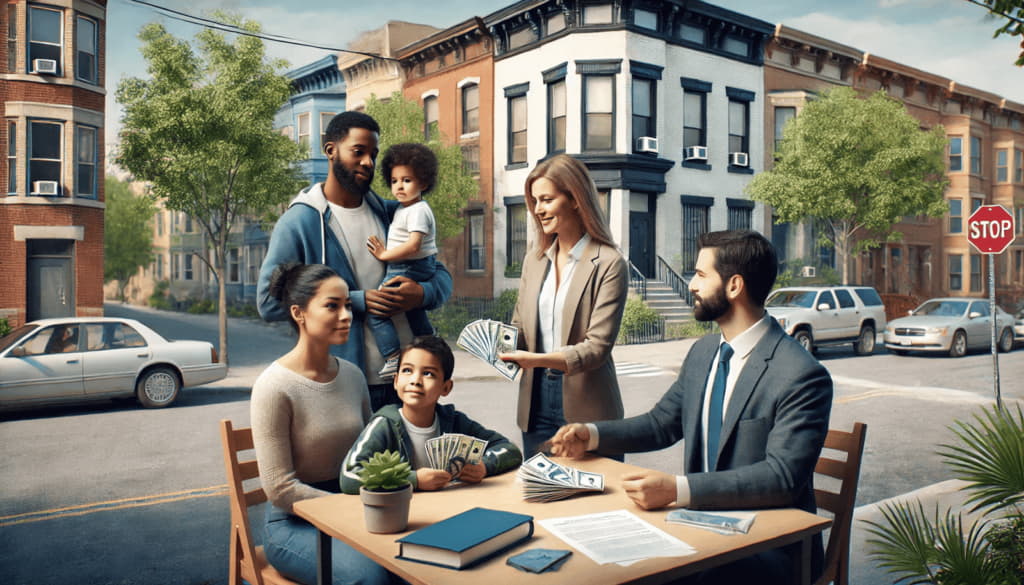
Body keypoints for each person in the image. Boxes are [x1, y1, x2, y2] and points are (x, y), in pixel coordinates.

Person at [550, 229, 834, 585]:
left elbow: (782, 479)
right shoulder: (704, 352)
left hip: (768, 547)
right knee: (596, 563)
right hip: (697, 528)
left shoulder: (801, 374)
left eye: (701, 275)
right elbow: (661, 424)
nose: (692, 285)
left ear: (734, 286)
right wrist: (590, 434)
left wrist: (677, 490)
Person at [257, 111, 453, 412]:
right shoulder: (299, 222)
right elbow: (269, 303)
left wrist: (422, 294)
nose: (368, 163)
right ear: (331, 150)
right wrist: (358, 301)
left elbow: (439, 273)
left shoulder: (392, 213)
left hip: (409, 385)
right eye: (358, 152)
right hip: (348, 385)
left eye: (373, 154)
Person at [251, 262, 392, 585]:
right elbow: (280, 489)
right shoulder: (273, 386)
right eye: (332, 306)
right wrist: (351, 506)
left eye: (347, 305)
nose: (346, 315)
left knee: (418, 563)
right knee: (369, 578)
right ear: (299, 313)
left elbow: (371, 453)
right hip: (295, 523)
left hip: (355, 509)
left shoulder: (353, 375)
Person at [497, 154, 628, 458]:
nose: (538, 209)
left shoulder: (608, 263)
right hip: (535, 401)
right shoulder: (535, 259)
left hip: (589, 404)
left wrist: (537, 359)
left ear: (575, 199)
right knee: (542, 496)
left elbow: (597, 348)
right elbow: (520, 327)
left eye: (546, 199)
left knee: (594, 498)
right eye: (534, 201)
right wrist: (498, 343)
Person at [341, 335, 522, 494]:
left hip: (448, 511)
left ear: (446, 387)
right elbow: (349, 476)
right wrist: (413, 480)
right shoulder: (384, 425)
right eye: (407, 370)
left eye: (428, 373)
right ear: (396, 381)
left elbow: (510, 449)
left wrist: (485, 466)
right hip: (404, 514)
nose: (415, 381)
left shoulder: (454, 421)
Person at [364, 143, 440, 379]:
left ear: (424, 183)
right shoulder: (403, 208)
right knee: (413, 310)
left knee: (377, 311)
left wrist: (385, 255)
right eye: (395, 180)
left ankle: (393, 357)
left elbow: (414, 244)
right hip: (411, 265)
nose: (399, 186)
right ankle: (430, 345)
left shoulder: (418, 210)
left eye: (407, 180)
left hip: (409, 266)